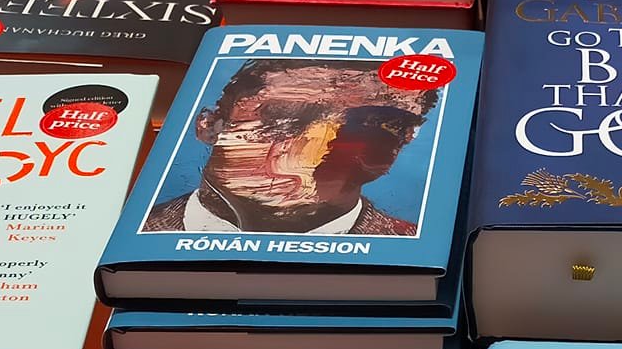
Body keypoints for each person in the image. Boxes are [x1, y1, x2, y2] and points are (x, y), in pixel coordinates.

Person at [143, 59, 437, 235]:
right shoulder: (139, 230)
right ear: (209, 125)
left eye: (379, 125)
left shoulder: (415, 248)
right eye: (284, 116)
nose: (318, 149)